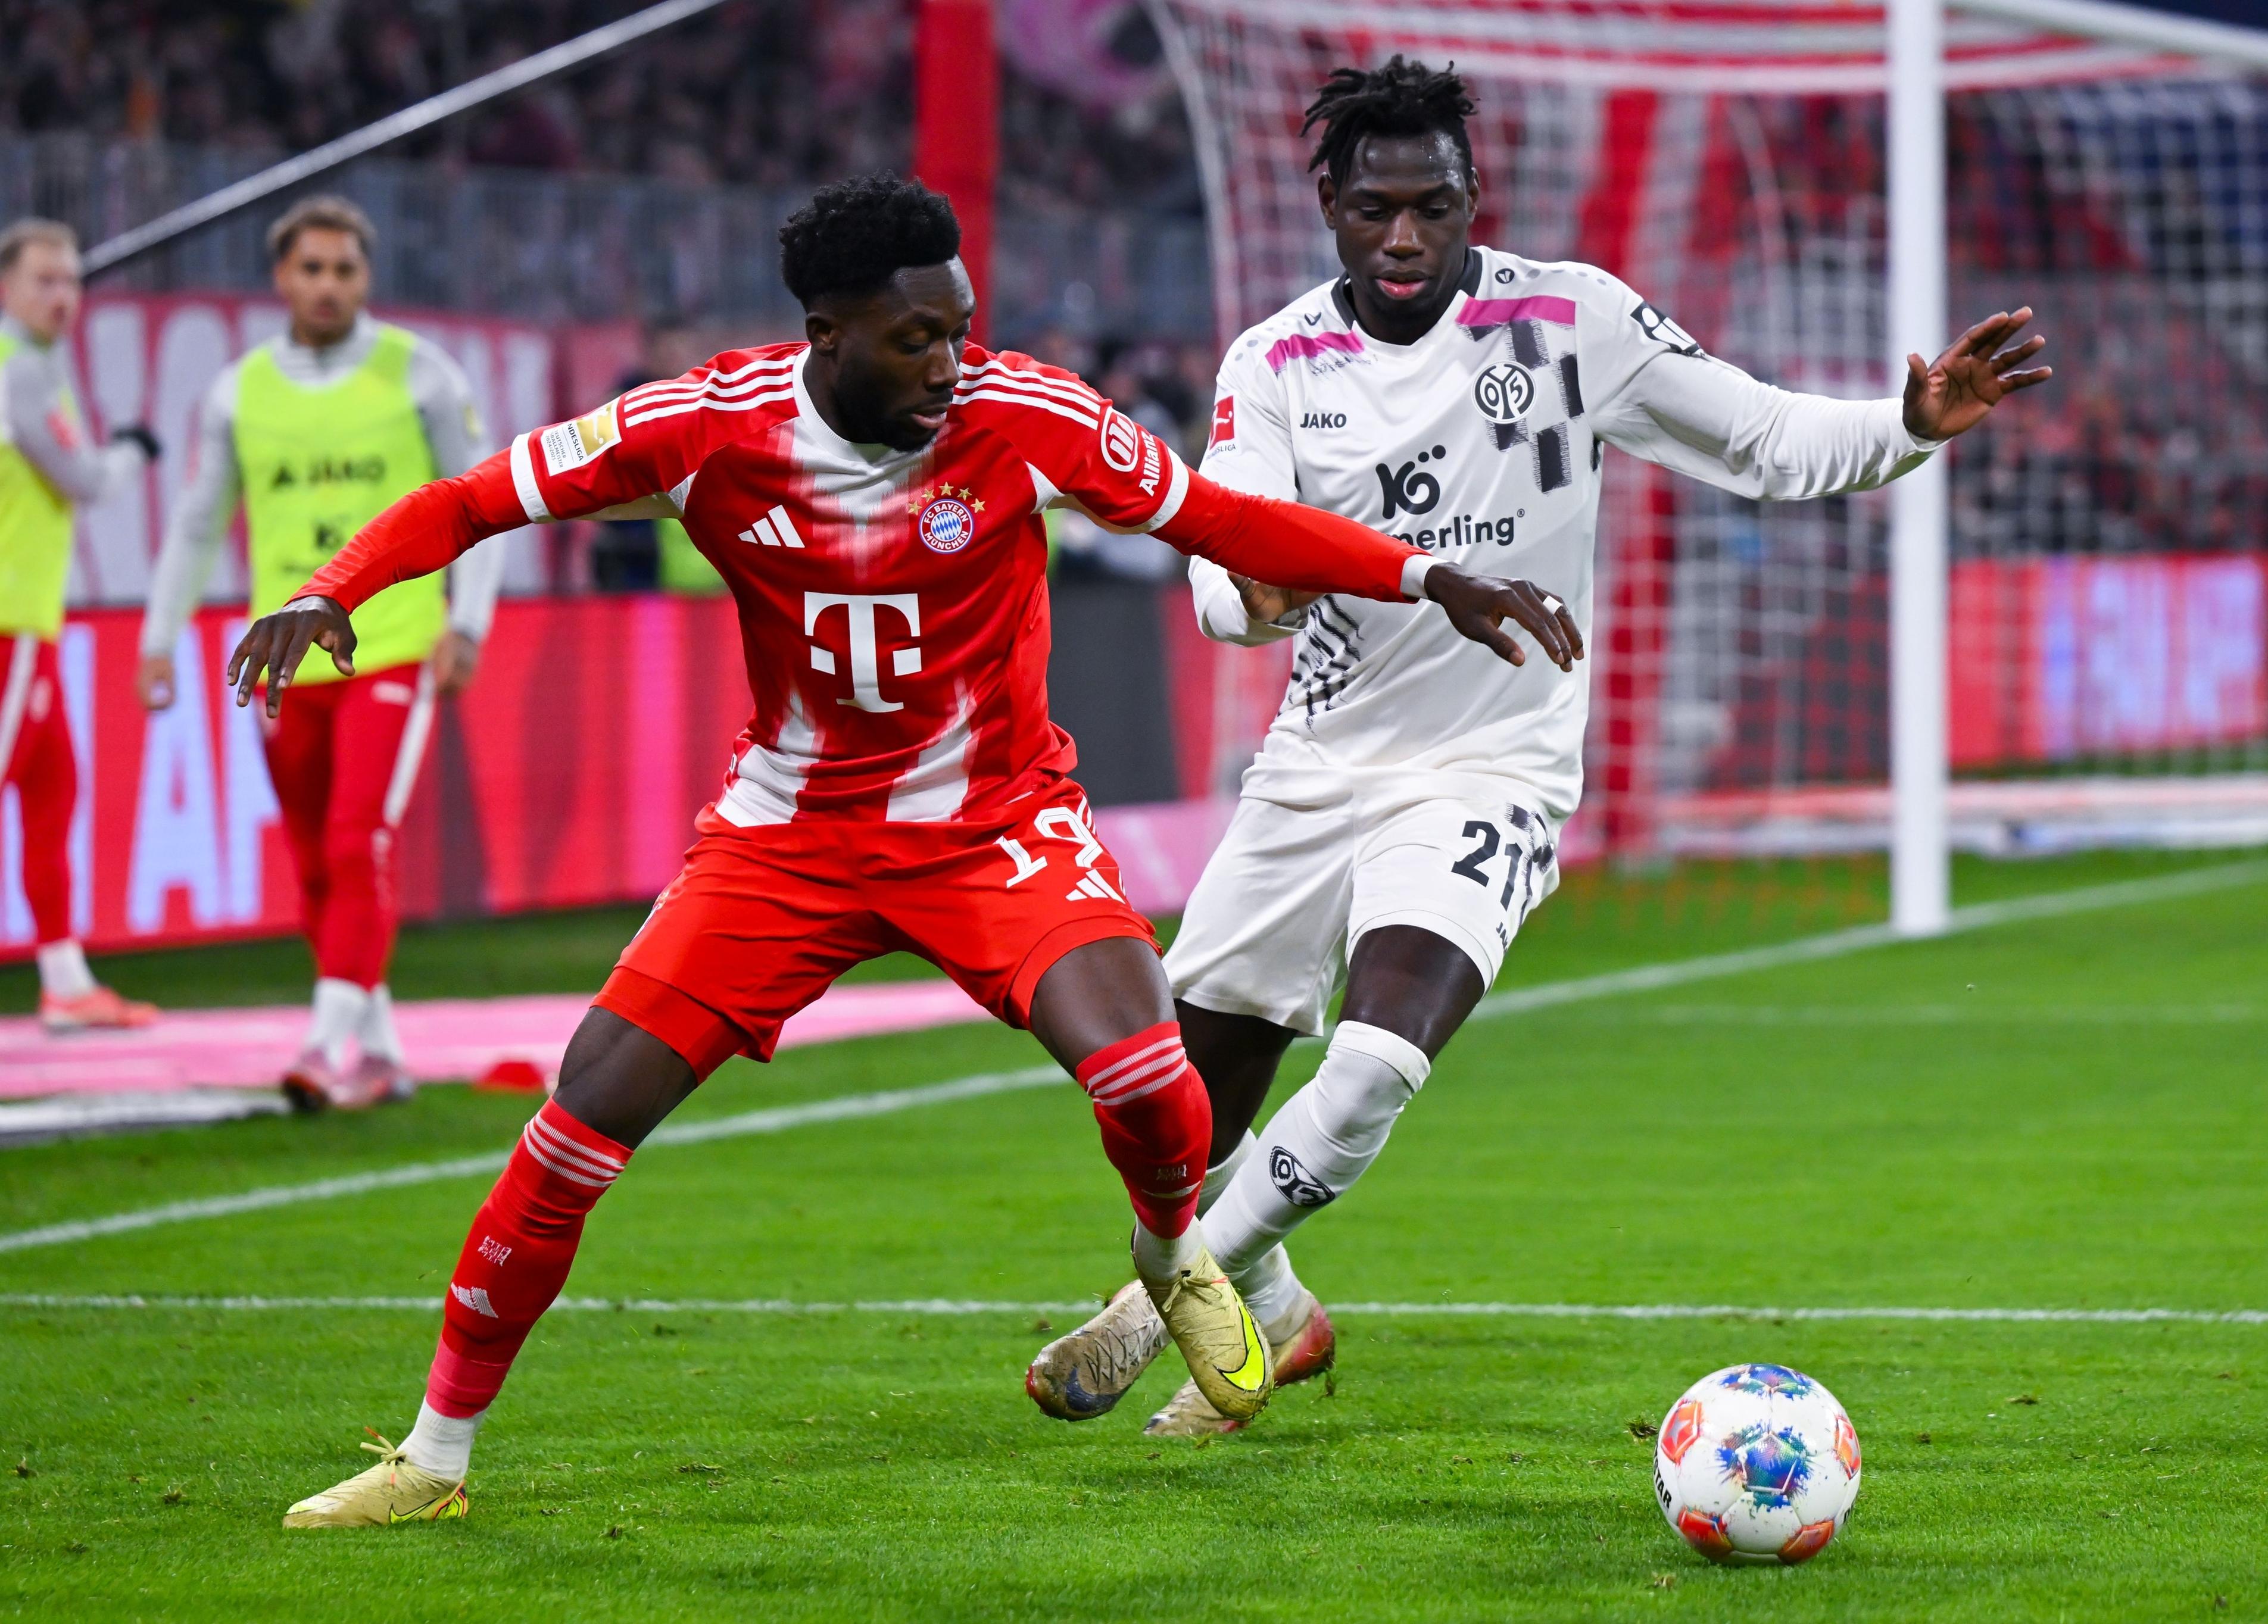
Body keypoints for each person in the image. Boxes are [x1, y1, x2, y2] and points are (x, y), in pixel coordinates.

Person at [227, 174, 1573, 1528]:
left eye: (961, 328)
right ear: (827, 329)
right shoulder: (703, 426)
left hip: (993, 825)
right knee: (577, 1123)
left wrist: (1420, 573)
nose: (951, 365)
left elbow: (1222, 521)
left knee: (1156, 1085)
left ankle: (1174, 1257)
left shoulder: (1026, 417)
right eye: (916, 340)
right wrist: (326, 589)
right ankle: (432, 1460)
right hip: (787, 840)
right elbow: (471, 499)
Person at [1027, 57, 2054, 1436]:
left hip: (1495, 766)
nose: (1405, 239)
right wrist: (1239, 599)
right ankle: (1269, 1300)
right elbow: (1229, 553)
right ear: (1329, 201)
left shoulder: (1571, 320)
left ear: (1471, 204)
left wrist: (1907, 427)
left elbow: (1757, 434)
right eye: (1377, 208)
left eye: (1433, 209)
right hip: (1317, 764)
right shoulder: (1272, 362)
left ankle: (1159, 1302)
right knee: (1176, 1116)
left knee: (1381, 1057)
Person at [138, 195, 504, 1110]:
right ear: (282, 279)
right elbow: (195, 524)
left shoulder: (420, 374)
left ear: (365, 277)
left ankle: (321, 1045)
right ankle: (378, 1050)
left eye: (344, 269)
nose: (329, 285)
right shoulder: (239, 391)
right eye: (312, 270)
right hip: (283, 660)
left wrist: (468, 624)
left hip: (391, 646)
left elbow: (489, 504)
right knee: (310, 856)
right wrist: (158, 636)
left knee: (356, 838)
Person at [0, 218, 161, 1033]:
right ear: (6, 285)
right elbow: (82, 478)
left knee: (53, 789)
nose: (62, 296)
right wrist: (134, 450)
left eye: (71, 280)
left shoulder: (29, 366)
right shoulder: (20, 370)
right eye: (43, 280)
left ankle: (64, 979)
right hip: (9, 622)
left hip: (29, 623)